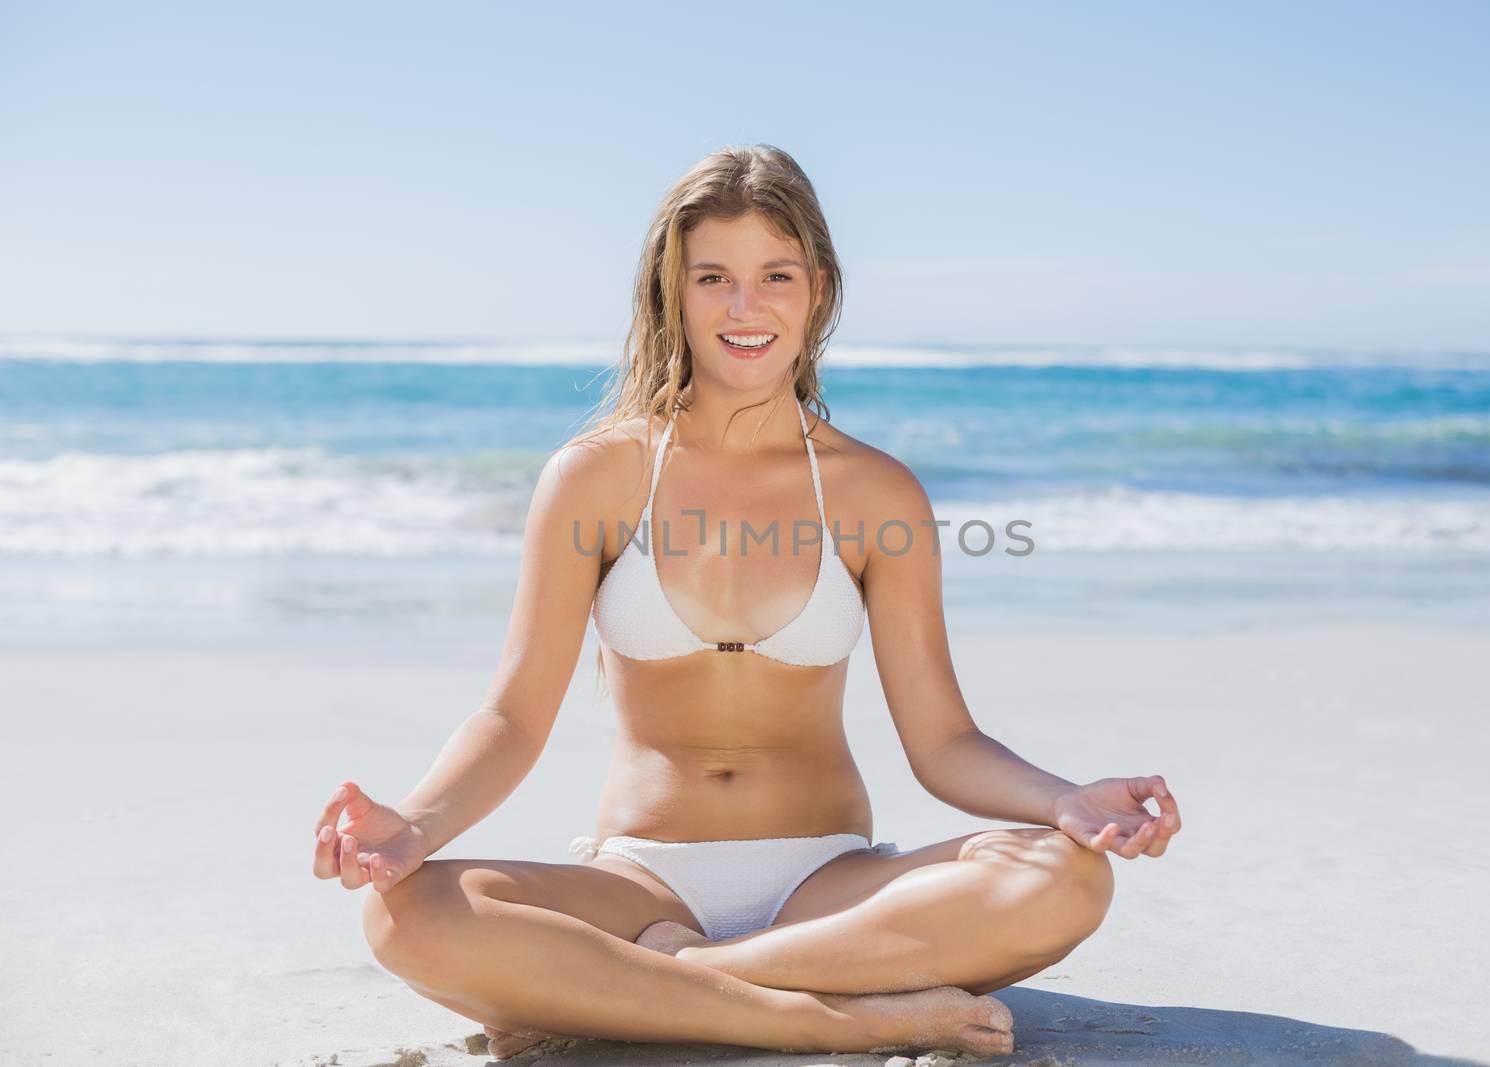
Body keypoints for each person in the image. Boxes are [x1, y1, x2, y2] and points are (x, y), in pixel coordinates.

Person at [310, 144, 1181, 1060]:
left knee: (1065, 878)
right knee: (406, 912)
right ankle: (813, 1016)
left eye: (776, 275)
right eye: (713, 277)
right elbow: (512, 716)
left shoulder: (875, 494)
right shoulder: (596, 477)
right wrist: (413, 825)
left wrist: (1065, 799)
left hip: (830, 883)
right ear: (671, 293)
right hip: (642, 885)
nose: (744, 307)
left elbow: (943, 742)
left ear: (820, 289)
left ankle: (666, 985)